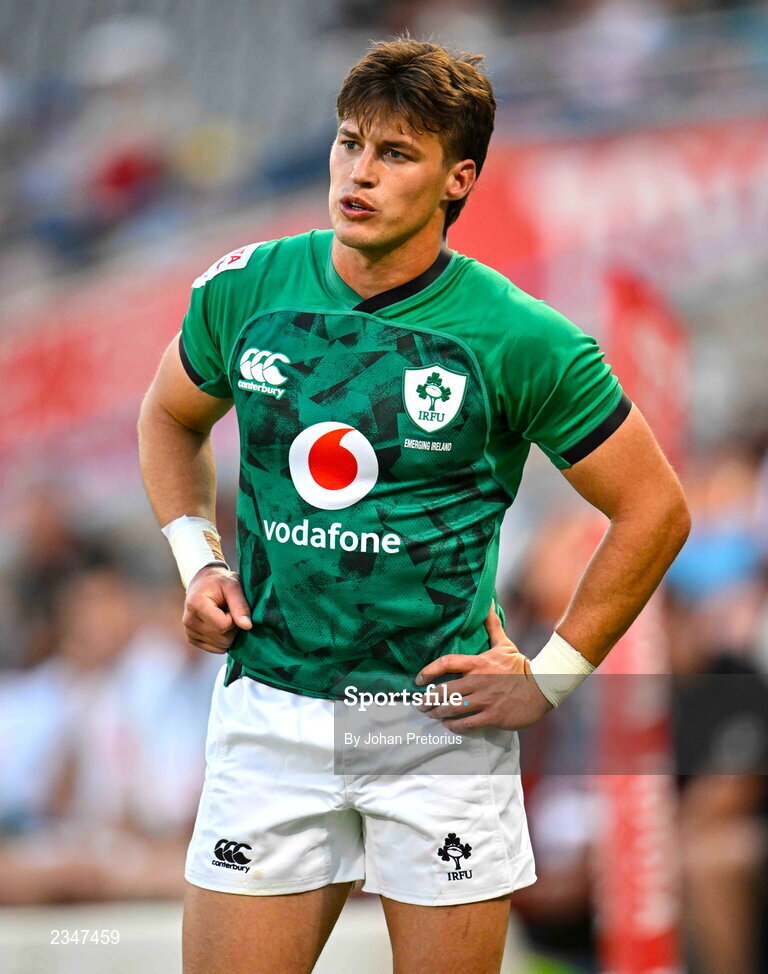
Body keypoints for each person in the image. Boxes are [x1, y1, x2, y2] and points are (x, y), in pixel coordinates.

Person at [138, 37, 690, 974]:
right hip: (274, 711)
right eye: (349, 143)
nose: (359, 173)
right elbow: (168, 417)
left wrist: (551, 677)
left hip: (434, 724)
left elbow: (655, 509)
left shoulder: (521, 338)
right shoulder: (247, 288)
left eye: (395, 154)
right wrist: (200, 561)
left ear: (456, 179)